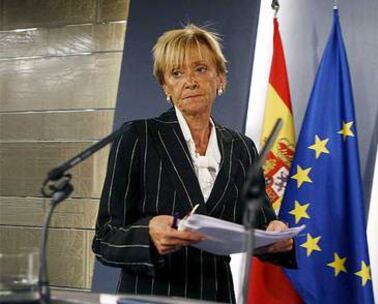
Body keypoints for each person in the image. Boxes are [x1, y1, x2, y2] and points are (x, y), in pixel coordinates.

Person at [92, 24, 295, 303]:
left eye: (200, 69)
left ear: (220, 78)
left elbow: (259, 225)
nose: (190, 81)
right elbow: (105, 238)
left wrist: (275, 234)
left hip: (215, 296)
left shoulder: (243, 148)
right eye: (177, 73)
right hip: (151, 297)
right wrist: (148, 236)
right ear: (166, 86)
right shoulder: (138, 137)